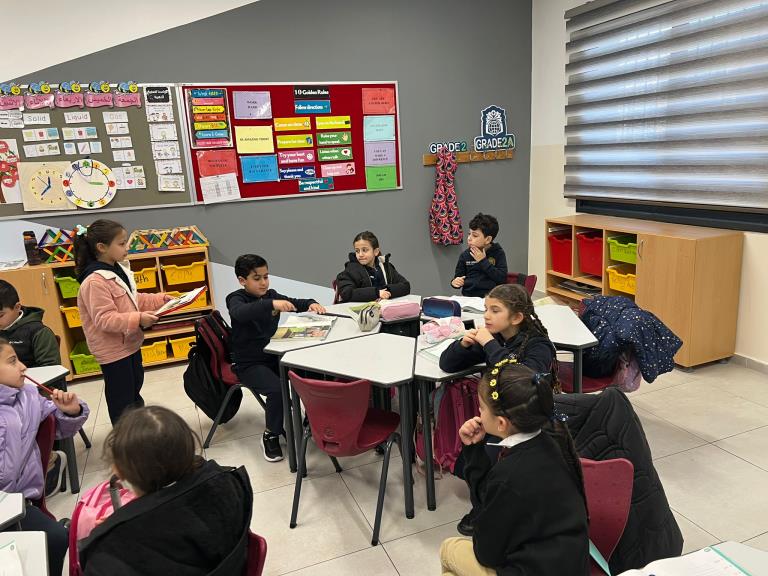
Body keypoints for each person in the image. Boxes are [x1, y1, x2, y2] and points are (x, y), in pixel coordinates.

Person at [439, 362, 588, 576]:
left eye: (482, 408)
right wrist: (474, 450)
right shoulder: (553, 440)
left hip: (537, 568)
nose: (479, 413)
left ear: (501, 423)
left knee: (449, 548)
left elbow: (486, 553)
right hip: (568, 561)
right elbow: (492, 498)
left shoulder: (509, 475)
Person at [440, 283, 559, 535]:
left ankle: (489, 509)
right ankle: (484, 505)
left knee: (494, 463)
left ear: (516, 318)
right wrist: (463, 345)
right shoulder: (496, 337)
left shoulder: (538, 345)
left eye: (495, 310)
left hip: (526, 419)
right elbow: (447, 364)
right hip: (497, 416)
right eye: (485, 309)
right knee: (476, 458)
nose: (486, 316)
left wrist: (490, 346)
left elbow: (524, 379)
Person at [79, 406, 253, 576]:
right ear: (188, 451)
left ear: (118, 471)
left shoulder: (107, 554)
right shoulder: (229, 484)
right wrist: (120, 526)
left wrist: (115, 533)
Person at [0, 337, 89, 576]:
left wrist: (72, 411)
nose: (23, 367)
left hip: (17, 503)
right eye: (12, 361)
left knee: (56, 538)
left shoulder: (27, 395)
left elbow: (57, 427)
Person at [227, 254, 325, 462]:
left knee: (313, 370)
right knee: (277, 390)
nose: (264, 282)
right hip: (248, 363)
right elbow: (240, 313)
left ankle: (312, 420)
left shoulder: (271, 295)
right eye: (257, 278)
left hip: (273, 355)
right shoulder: (235, 299)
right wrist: (271, 304)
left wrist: (311, 303)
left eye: (266, 276)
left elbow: (294, 303)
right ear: (242, 280)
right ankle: (270, 434)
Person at [74, 220, 170, 425]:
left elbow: (132, 299)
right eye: (121, 243)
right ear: (102, 247)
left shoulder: (117, 269)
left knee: (134, 393)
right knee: (122, 402)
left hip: (130, 344)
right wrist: (139, 318)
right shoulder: (94, 281)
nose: (127, 247)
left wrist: (160, 299)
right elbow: (104, 319)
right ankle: (125, 438)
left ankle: (138, 430)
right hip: (113, 351)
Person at [0, 279, 68, 492]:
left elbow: (51, 370)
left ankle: (51, 461)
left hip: (34, 394)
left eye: (0, 315)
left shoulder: (38, 332)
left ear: (17, 307)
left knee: (24, 432)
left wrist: (20, 379)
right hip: (7, 396)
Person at [335, 231, 410, 302]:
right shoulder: (350, 271)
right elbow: (347, 293)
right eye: (357, 251)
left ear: (376, 251)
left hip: (385, 308)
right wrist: (376, 293)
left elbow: (405, 286)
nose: (360, 254)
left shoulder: (387, 267)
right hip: (362, 311)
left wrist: (387, 291)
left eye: (364, 250)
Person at [450, 213, 508, 297]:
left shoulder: (498, 253)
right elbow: (458, 277)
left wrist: (483, 261)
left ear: (488, 239)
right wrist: (454, 282)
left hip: (490, 298)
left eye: (475, 235)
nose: (469, 238)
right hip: (468, 298)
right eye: (469, 234)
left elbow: (502, 279)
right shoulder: (465, 255)